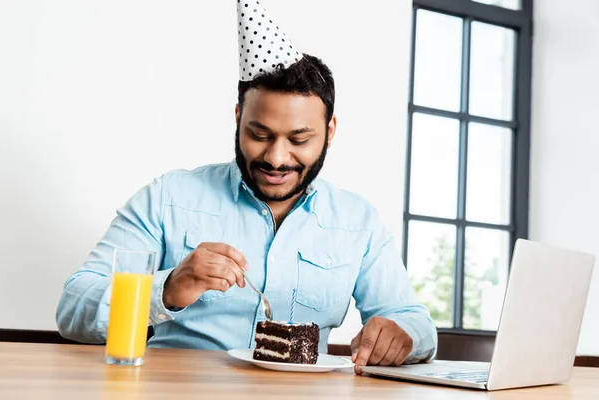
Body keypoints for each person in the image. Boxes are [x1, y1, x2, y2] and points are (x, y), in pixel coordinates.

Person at [56, 0, 437, 373]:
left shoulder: (359, 222)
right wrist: (167, 289)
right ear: (238, 118)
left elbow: (413, 322)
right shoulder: (169, 198)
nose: (276, 157)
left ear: (330, 131)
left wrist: (402, 335)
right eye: (259, 134)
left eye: (299, 139)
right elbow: (73, 308)